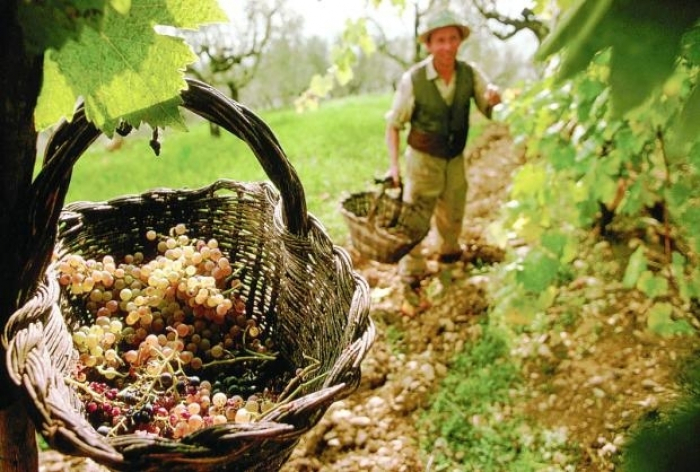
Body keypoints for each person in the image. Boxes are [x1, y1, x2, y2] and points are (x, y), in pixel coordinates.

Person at [384, 9, 502, 288]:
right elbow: (393, 125)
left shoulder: (469, 74)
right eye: (440, 40)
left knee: (454, 211)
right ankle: (412, 270)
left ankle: (449, 258)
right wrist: (394, 166)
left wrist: (495, 98)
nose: (447, 46)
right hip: (423, 161)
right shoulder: (413, 80)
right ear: (429, 45)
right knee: (416, 217)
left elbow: (490, 105)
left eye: (452, 39)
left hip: (455, 159)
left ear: (460, 41)